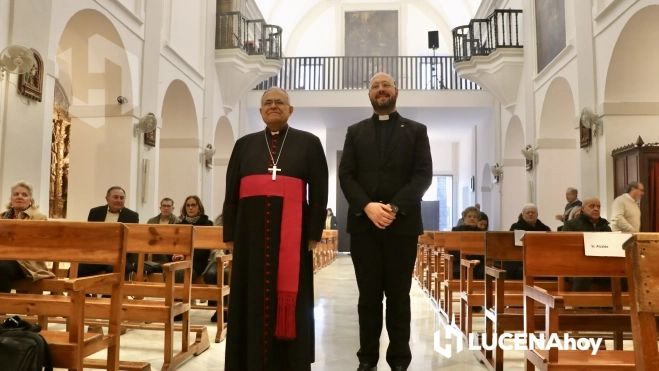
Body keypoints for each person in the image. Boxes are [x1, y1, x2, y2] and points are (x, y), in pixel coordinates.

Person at [223, 87, 328, 371]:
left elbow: (319, 192)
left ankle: (289, 361)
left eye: (279, 102)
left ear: (290, 110)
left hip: (292, 239)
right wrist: (230, 235)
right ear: (260, 112)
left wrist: (312, 234)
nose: (273, 106)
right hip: (249, 235)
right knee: (248, 295)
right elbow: (231, 191)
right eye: (267, 103)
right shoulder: (244, 144)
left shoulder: (309, 143)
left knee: (293, 299)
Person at [338, 72, 432, 371]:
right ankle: (367, 359)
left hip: (401, 226)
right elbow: (346, 175)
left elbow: (422, 176)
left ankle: (400, 360)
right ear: (369, 94)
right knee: (367, 298)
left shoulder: (416, 130)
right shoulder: (355, 131)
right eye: (375, 87)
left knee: (398, 296)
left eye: (386, 86)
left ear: (396, 92)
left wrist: (391, 207)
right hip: (365, 226)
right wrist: (367, 206)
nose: (381, 90)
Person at [0, 181, 55, 292]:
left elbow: (37, 244)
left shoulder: (39, 218)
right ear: (11, 198)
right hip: (4, 258)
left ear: (30, 200)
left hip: (27, 264)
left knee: (3, 269)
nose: (19, 197)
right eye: (16, 194)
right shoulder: (3, 217)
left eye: (24, 195)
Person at [77, 186, 139, 278]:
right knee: (77, 269)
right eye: (115, 197)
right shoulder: (95, 212)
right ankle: (82, 293)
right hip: (98, 255)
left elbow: (132, 240)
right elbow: (89, 235)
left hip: (120, 257)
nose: (119, 200)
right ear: (107, 199)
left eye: (122, 198)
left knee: (113, 270)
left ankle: (108, 293)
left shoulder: (132, 216)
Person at [171, 195, 213, 321]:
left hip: (198, 263)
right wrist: (174, 254)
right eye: (188, 205)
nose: (190, 207)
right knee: (169, 269)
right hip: (182, 260)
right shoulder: (180, 224)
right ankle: (174, 307)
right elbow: (174, 244)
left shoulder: (207, 224)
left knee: (179, 272)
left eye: (193, 205)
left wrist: (185, 255)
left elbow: (205, 250)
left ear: (199, 208)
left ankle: (179, 310)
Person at [562, 197, 612, 291]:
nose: (596, 209)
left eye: (598, 206)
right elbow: (564, 248)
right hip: (575, 267)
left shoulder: (605, 226)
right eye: (592, 206)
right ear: (583, 208)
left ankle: (620, 305)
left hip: (600, 266)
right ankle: (576, 304)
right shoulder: (571, 225)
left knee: (621, 275)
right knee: (584, 276)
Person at [507, 204, 551, 279]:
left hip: (540, 257)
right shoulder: (516, 227)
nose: (530, 214)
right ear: (523, 215)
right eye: (528, 213)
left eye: (533, 213)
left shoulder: (544, 228)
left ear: (537, 215)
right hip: (520, 258)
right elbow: (511, 245)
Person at [201, 214, 230, 323]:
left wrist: (230, 258)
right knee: (210, 274)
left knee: (226, 274)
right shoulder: (219, 220)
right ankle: (217, 308)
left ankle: (226, 310)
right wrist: (221, 257)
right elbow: (215, 244)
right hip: (219, 258)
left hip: (236, 258)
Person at [148, 198, 182, 262]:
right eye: (164, 206)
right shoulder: (152, 221)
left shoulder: (178, 222)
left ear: (173, 209)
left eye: (168, 206)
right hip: (154, 248)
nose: (166, 208)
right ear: (160, 208)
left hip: (170, 250)